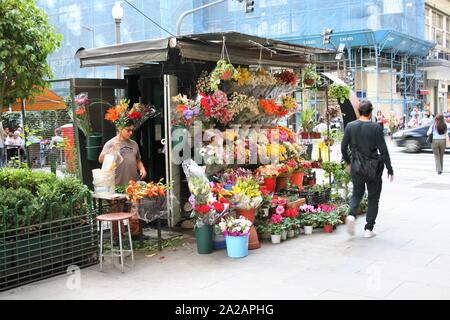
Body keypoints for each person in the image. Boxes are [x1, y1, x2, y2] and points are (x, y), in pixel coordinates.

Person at [341, 100, 394, 238]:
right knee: (373, 198)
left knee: (357, 194)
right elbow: (383, 151)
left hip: (356, 167)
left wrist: (348, 162)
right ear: (370, 112)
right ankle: (368, 229)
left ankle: (352, 216)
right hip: (373, 169)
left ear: (359, 111)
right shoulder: (376, 127)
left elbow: (343, 148)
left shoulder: (350, 126)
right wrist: (390, 169)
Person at [99, 121, 147, 186]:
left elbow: (138, 160)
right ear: (120, 128)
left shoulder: (134, 144)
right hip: (117, 186)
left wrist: (142, 168)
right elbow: (101, 160)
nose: (131, 133)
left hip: (133, 185)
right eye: (128, 130)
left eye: (132, 130)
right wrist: (112, 149)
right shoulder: (111, 143)